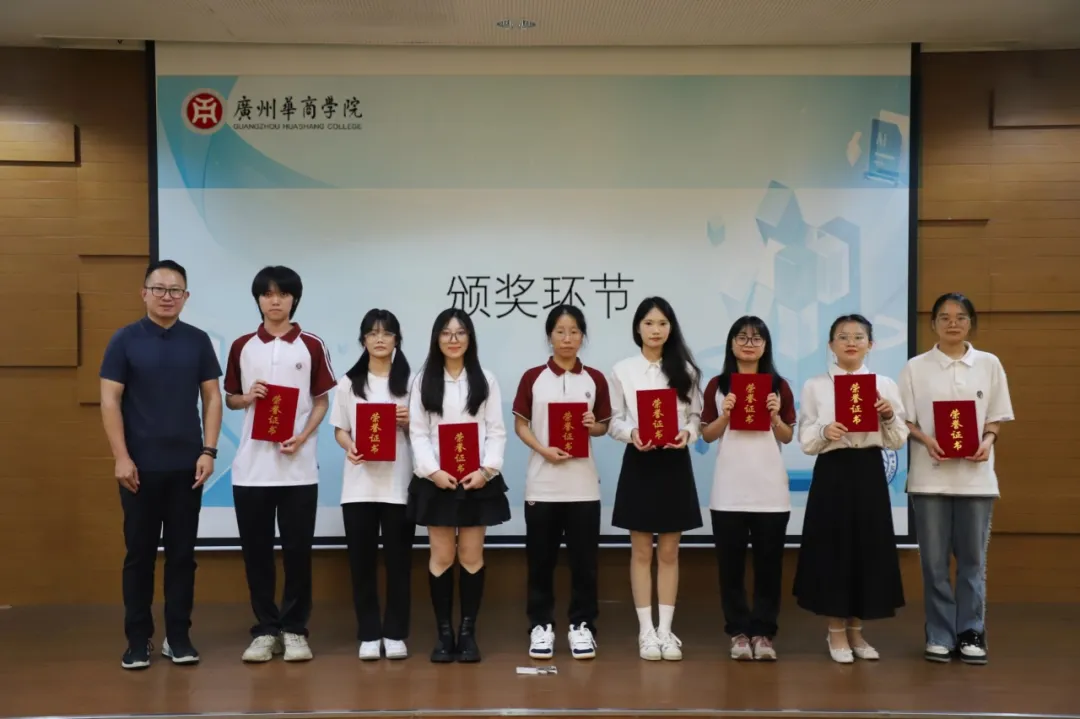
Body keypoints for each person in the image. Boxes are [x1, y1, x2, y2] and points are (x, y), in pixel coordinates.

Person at [99, 259, 223, 670]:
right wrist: (121, 457)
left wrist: (208, 451)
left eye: (175, 290)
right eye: (160, 289)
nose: (167, 296)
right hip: (138, 470)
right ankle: (138, 640)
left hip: (188, 469)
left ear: (186, 297)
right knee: (139, 556)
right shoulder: (124, 340)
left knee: (183, 556)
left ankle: (179, 637)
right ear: (144, 293)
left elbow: (212, 397)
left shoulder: (198, 341)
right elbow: (110, 400)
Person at [223, 266, 336, 663]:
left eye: (283, 294)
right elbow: (230, 398)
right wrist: (246, 398)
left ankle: (295, 629)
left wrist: (303, 436)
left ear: (294, 299)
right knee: (256, 554)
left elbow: (322, 400)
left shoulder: (311, 344)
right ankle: (265, 629)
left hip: (297, 469)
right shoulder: (242, 346)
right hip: (250, 469)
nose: (275, 300)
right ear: (258, 299)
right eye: (268, 294)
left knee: (297, 552)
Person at [898, 292, 1013, 665]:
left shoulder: (989, 364)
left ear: (970, 323)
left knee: (972, 562)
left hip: (976, 479)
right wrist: (926, 440)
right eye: (944, 317)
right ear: (932, 323)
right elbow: (904, 419)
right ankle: (939, 634)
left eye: (960, 317)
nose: (952, 323)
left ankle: (971, 632)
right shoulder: (915, 367)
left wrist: (988, 440)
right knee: (933, 564)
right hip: (929, 479)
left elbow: (996, 416)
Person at [793, 314, 908, 663]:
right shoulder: (816, 385)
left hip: (869, 470)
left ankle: (857, 631)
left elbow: (899, 439)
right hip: (833, 470)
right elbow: (805, 440)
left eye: (859, 336)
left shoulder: (884, 384)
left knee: (867, 549)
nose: (851, 342)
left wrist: (888, 416)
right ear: (831, 345)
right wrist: (824, 431)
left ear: (871, 344)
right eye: (843, 336)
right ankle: (836, 631)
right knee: (834, 549)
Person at [407, 308, 510, 663]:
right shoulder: (423, 380)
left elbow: (496, 431)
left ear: (470, 338)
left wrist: (486, 470)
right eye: (446, 333)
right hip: (436, 481)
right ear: (436, 338)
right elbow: (418, 433)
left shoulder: (485, 379)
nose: (453, 339)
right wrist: (432, 471)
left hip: (476, 480)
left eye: (460, 333)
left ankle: (467, 633)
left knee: (470, 555)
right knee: (442, 556)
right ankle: (443, 634)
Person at [512, 304, 612, 661]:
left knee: (584, 564)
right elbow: (520, 424)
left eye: (574, 331)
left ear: (582, 336)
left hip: (583, 486)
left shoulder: (595, 378)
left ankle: (582, 626)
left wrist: (592, 425)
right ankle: (541, 626)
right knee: (540, 562)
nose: (567, 338)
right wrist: (543, 449)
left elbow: (603, 426)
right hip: (542, 485)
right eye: (560, 331)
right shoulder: (533, 377)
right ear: (549, 336)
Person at [608, 296, 703, 661]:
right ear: (638, 328)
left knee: (669, 551)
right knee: (641, 550)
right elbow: (614, 420)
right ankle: (645, 631)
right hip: (640, 461)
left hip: (674, 462)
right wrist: (631, 433)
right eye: (649, 323)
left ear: (671, 328)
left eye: (662, 323)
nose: (655, 330)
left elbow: (696, 417)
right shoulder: (622, 370)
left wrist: (687, 434)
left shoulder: (687, 371)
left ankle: (666, 630)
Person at [700, 316, 795, 661]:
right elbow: (706, 434)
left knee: (769, 567)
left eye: (757, 339)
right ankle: (738, 632)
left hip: (770, 491)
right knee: (731, 567)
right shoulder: (718, 385)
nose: (749, 344)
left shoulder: (779, 386)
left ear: (766, 345)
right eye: (742, 337)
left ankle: (764, 633)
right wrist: (725, 415)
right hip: (729, 490)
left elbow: (787, 436)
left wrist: (775, 417)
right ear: (731, 343)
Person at [330, 309, 416, 661]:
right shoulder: (349, 383)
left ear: (397, 339)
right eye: (372, 333)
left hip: (399, 485)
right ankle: (368, 633)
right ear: (363, 340)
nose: (380, 339)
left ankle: (395, 633)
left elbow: (427, 432)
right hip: (359, 487)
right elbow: (340, 429)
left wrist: (409, 422)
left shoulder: (413, 382)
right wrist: (349, 447)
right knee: (361, 563)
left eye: (387, 333)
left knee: (399, 563)